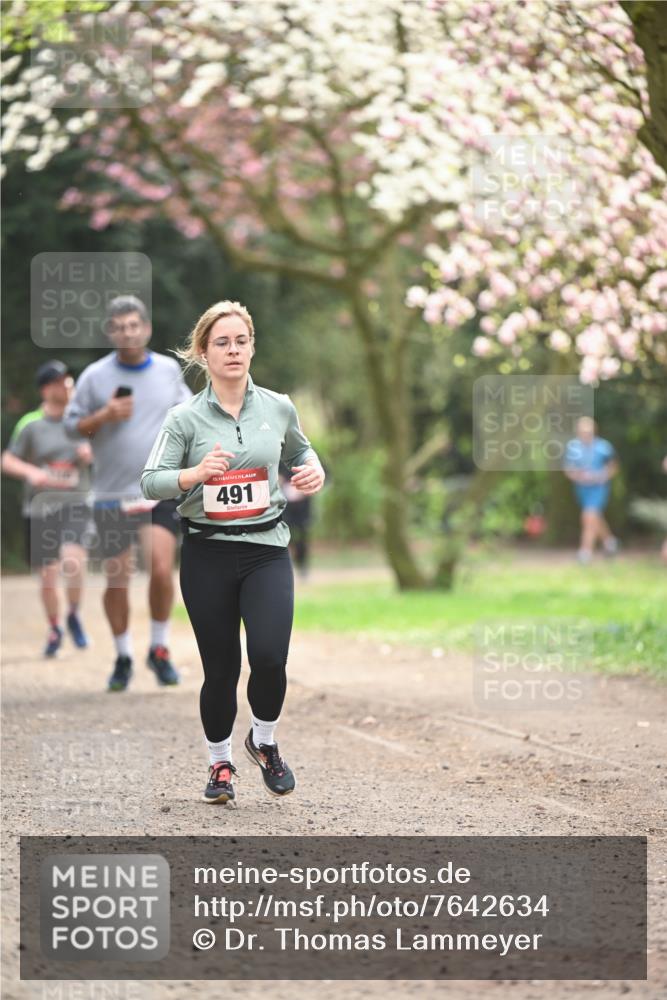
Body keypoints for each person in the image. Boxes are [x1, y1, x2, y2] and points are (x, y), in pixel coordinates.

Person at [140, 300, 325, 805]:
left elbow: (301, 451)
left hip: (267, 549)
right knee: (220, 669)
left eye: (241, 341)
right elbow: (150, 481)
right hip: (208, 555)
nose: (233, 350)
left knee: (269, 657)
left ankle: (263, 742)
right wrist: (194, 475)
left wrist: (314, 470)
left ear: (252, 347)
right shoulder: (184, 419)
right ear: (204, 352)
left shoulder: (279, 406)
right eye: (222, 342)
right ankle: (219, 762)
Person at [64, 295, 191, 691]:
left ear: (147, 328)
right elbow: (72, 428)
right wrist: (103, 415)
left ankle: (159, 648)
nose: (128, 332)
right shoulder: (94, 377)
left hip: (158, 488)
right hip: (110, 493)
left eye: (134, 325)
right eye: (119, 327)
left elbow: (189, 419)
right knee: (117, 577)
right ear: (110, 332)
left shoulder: (169, 370)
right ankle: (122, 655)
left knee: (159, 565)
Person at [1, 360, 93, 656]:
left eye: (68, 380)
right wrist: (31, 472)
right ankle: (55, 627)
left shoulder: (84, 421)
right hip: (40, 509)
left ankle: (74, 614)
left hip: (77, 503)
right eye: (59, 382)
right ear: (45, 389)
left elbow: (110, 450)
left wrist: (92, 452)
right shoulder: (30, 424)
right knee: (48, 576)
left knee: (74, 562)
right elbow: (8, 460)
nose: (66, 386)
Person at [564, 416, 619, 564]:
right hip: (582, 488)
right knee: (595, 518)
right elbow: (568, 469)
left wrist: (602, 476)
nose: (585, 434)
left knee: (588, 517)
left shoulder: (604, 447)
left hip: (598, 488)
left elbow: (613, 467)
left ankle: (585, 552)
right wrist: (578, 476)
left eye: (588, 431)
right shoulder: (573, 447)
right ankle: (610, 542)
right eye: (582, 431)